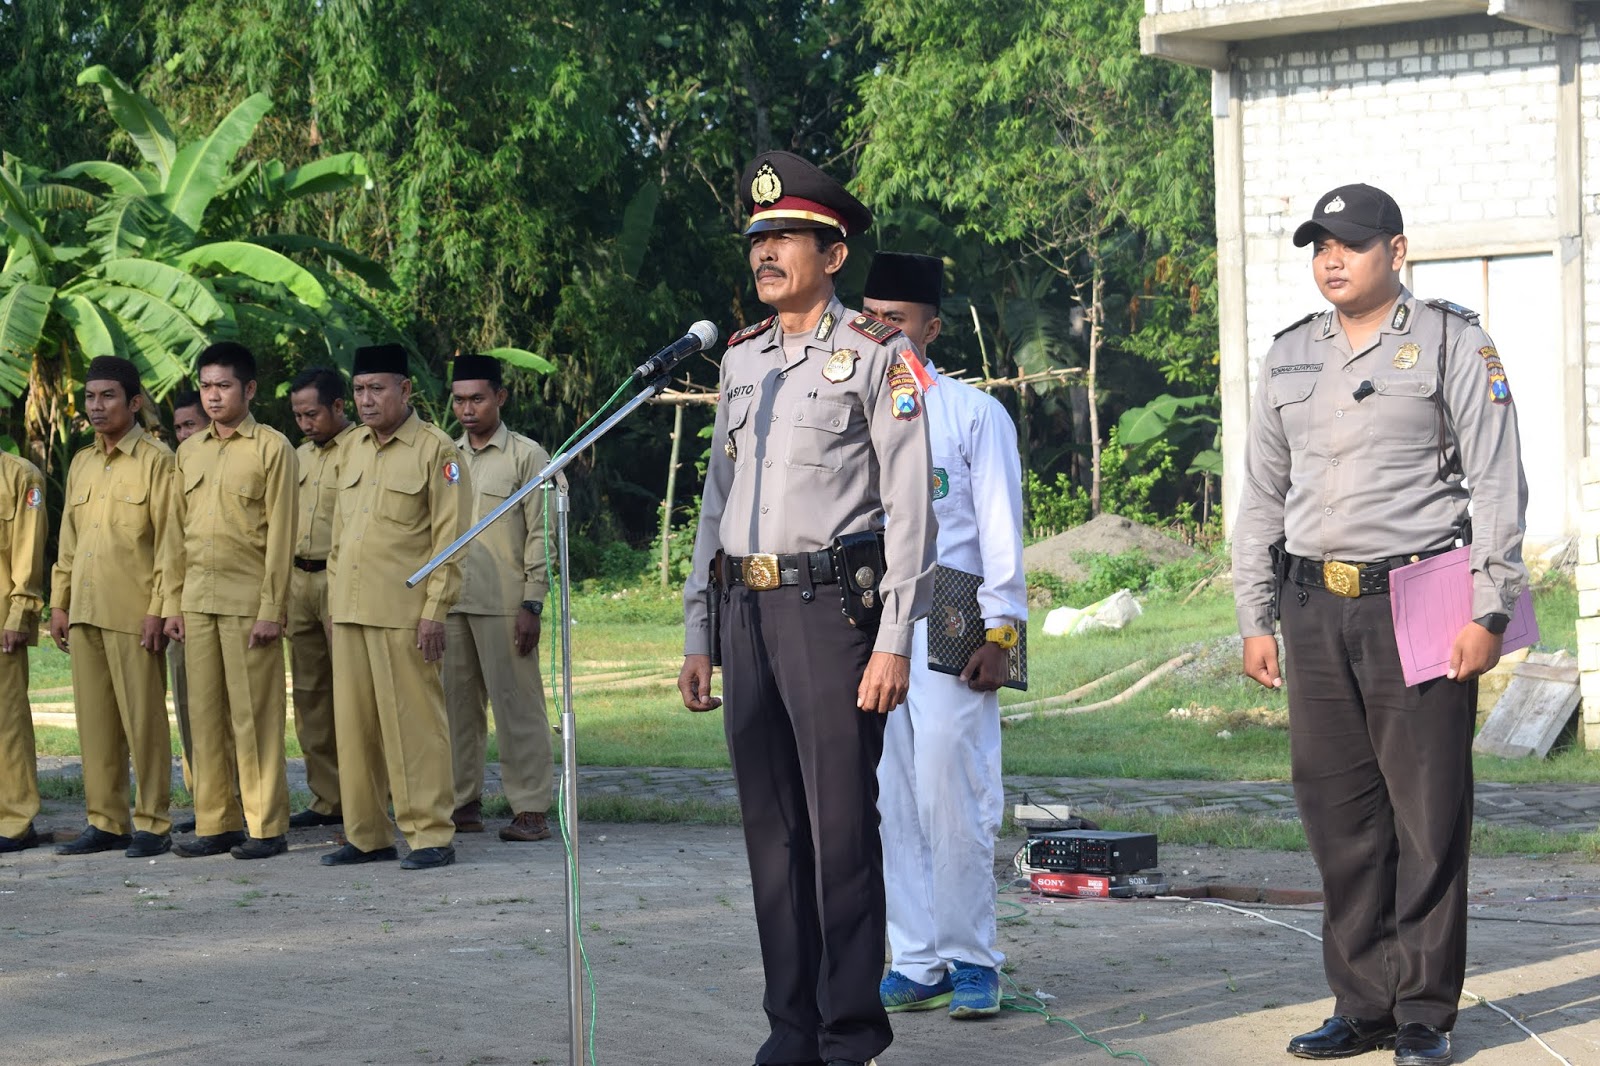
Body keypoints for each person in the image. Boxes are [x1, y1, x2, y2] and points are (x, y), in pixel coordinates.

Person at [1232, 184, 1527, 1066]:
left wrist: (1491, 604)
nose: (1331, 259)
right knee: (1339, 815)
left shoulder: (1452, 341)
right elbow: (1261, 496)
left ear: (1395, 253)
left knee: (1428, 817)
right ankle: (1361, 1002)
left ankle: (1424, 1014)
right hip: (1313, 604)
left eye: (1350, 245)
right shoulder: (1289, 356)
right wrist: (1254, 612)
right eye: (1319, 245)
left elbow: (1498, 482)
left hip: (1423, 599)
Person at [677, 150, 937, 1066]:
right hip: (744, 614)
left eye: (785, 236)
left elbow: (912, 509)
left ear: (833, 252)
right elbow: (715, 503)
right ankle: (789, 1029)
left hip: (831, 615)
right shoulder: (744, 362)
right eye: (758, 239)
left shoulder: (877, 355)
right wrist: (698, 631)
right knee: (772, 837)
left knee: (837, 831)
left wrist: (896, 641)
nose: (766, 252)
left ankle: (849, 1030)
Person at [862, 253, 1025, 1021]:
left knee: (952, 792)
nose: (881, 330)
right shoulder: (849, 410)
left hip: (956, 615)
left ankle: (972, 959)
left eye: (897, 318)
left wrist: (1004, 636)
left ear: (932, 326)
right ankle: (917, 958)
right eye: (870, 316)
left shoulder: (972, 414)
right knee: (892, 794)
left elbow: (999, 531)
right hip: (870, 621)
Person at [322, 343, 470, 871]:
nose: (366, 400)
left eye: (377, 389)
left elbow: (452, 540)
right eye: (359, 390)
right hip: (353, 610)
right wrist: (334, 608)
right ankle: (367, 835)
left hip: (407, 614)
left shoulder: (437, 450)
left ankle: (430, 834)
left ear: (405, 391)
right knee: (355, 729)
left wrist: (435, 609)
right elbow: (340, 539)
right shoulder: (350, 449)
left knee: (414, 727)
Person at [165, 342, 298, 860]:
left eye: (223, 386)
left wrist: (272, 609)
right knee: (204, 714)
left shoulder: (273, 448)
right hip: (197, 601)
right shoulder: (189, 451)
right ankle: (215, 822)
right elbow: (176, 536)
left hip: (249, 604)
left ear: (249, 389)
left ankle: (265, 826)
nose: (214, 396)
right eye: (206, 387)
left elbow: (282, 536)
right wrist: (172, 603)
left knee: (254, 714)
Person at [49, 357, 178, 858]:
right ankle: (106, 821)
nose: (96, 407)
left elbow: (170, 541)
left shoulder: (157, 459)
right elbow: (68, 542)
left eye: (107, 396)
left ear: (134, 402)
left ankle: (153, 821)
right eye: (90, 397)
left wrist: (159, 607)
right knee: (95, 722)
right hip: (84, 609)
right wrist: (59, 603)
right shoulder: (81, 461)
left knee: (143, 721)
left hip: (134, 611)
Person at [443, 354, 556, 843]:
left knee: (517, 706)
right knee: (454, 708)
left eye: (477, 398)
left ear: (500, 398)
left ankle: (531, 808)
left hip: (506, 603)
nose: (467, 409)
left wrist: (532, 602)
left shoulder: (526, 456)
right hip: (450, 601)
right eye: (460, 399)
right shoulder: (445, 455)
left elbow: (542, 533)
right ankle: (460, 802)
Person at [286, 366, 355, 829]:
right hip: (298, 581)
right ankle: (326, 798)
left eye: (313, 413)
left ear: (337, 406)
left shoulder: (362, 451)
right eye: (298, 415)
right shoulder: (297, 456)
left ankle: (364, 795)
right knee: (310, 694)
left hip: (341, 579)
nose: (306, 423)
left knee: (353, 694)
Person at [167, 389, 211, 833]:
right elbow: (172, 543)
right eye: (177, 427)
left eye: (190, 425)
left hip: (232, 605)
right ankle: (204, 800)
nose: (183, 435)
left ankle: (237, 801)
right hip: (185, 605)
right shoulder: (181, 465)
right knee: (188, 705)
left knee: (231, 711)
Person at [0, 444, 46, 853]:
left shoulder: (20, 476)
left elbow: (28, 554)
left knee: (6, 720)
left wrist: (20, 614)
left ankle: (15, 820)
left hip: (2, 620)